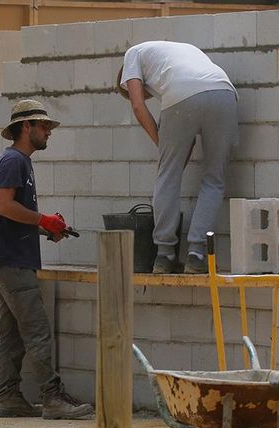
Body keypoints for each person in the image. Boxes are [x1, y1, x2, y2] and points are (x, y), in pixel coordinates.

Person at [0, 99, 94, 420]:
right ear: (26, 127)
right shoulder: (14, 161)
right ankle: (52, 397)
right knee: (37, 330)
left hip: (6, 256)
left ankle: (8, 397)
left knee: (13, 332)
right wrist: (44, 220)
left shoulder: (20, 162)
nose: (48, 132)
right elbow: (3, 206)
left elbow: (12, 216)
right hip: (11, 261)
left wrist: (46, 229)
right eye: (43, 126)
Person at [117, 41, 238, 274]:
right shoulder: (181, 51)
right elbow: (188, 137)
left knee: (167, 177)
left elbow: (137, 105)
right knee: (215, 178)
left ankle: (164, 255)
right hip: (224, 92)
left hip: (182, 95)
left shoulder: (132, 55)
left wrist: (161, 145)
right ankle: (196, 255)